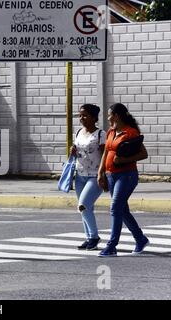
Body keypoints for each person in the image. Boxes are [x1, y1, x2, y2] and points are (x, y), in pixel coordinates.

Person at [97, 103, 149, 257]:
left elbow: (143, 154)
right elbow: (106, 153)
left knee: (115, 208)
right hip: (111, 175)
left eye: (109, 114)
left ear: (117, 116)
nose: (108, 117)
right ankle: (140, 239)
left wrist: (124, 160)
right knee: (122, 209)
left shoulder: (131, 132)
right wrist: (101, 173)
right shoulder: (111, 132)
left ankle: (112, 245)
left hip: (127, 175)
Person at [71, 104, 106, 251]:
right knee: (85, 208)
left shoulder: (101, 134)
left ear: (93, 117)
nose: (81, 118)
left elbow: (105, 155)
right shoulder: (79, 132)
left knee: (83, 204)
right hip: (80, 175)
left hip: (95, 176)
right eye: (80, 115)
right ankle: (88, 237)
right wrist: (72, 150)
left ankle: (94, 237)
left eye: (84, 115)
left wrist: (102, 174)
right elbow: (76, 151)